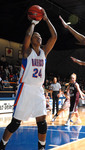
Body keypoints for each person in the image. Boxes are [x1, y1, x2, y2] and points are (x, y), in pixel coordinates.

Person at [0, 9, 57, 150]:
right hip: (25, 89)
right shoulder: (27, 52)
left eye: (40, 36)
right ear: (32, 40)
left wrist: (47, 19)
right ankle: (2, 145)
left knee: (42, 122)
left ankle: (41, 147)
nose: (39, 37)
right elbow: (27, 34)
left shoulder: (43, 53)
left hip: (38, 90)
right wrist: (33, 23)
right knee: (15, 123)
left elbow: (54, 36)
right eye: (36, 36)